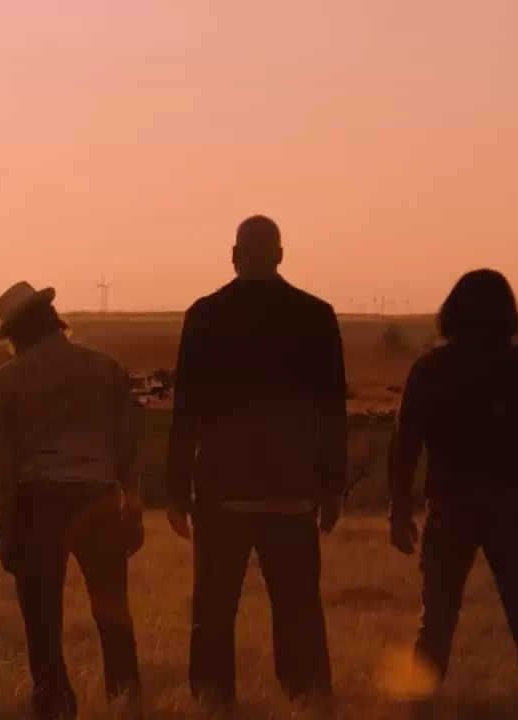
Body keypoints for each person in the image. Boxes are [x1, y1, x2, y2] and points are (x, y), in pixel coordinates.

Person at [166, 215, 346, 705]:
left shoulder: (204, 315)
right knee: (298, 610)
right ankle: (307, 699)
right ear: (281, 256)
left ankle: (212, 701)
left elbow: (185, 410)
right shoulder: (316, 314)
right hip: (293, 488)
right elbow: (333, 408)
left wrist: (177, 490)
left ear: (234, 254)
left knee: (214, 610)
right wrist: (332, 486)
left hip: (222, 490)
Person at [387, 269, 518, 706]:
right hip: (513, 505)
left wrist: (399, 508)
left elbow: (405, 442)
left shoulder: (430, 369)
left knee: (438, 618)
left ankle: (422, 699)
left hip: (450, 505)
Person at [0, 281, 144, 719]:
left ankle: (54, 703)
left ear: (16, 334)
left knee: (42, 617)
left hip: (39, 502)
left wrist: (6, 527)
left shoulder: (10, 379)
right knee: (113, 608)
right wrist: (131, 503)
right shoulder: (105, 367)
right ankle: (126, 697)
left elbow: (6, 463)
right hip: (98, 498)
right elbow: (127, 446)